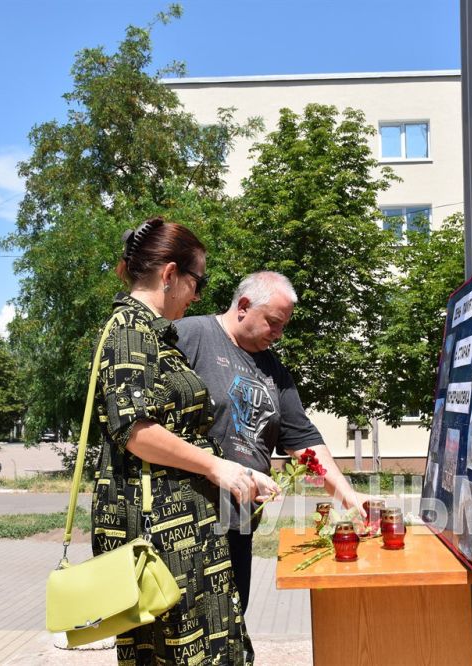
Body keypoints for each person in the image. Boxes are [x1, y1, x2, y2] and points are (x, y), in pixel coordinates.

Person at [90, 217, 278, 665]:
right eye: (198, 281)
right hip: (161, 540)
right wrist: (219, 467)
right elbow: (135, 430)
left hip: (180, 533)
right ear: (170, 275)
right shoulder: (131, 330)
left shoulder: (154, 333)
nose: (198, 295)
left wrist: (239, 470)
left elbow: (170, 430)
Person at [176, 271, 366, 613]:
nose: (278, 334)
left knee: (230, 630)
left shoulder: (274, 370)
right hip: (185, 524)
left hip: (237, 526)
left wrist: (348, 495)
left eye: (283, 326)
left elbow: (303, 439)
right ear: (244, 306)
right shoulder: (191, 335)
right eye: (273, 323)